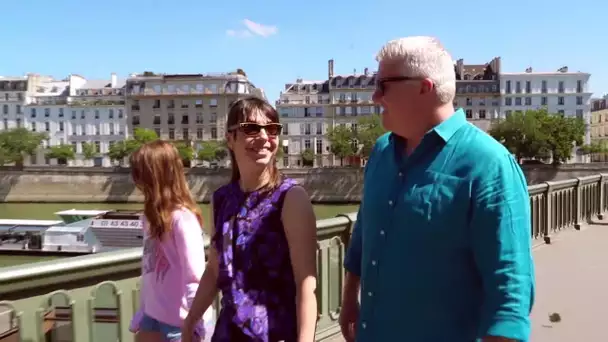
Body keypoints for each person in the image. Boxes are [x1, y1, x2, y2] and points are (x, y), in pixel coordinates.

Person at [339, 36, 535, 342]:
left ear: (424, 87)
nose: (375, 97)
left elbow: (509, 296)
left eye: (383, 85)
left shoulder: (489, 164)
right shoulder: (380, 152)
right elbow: (365, 232)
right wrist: (349, 298)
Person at [182, 97, 318, 342]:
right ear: (230, 139)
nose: (265, 137)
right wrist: (192, 318)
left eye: (272, 129)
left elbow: (305, 285)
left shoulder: (291, 199)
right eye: (251, 129)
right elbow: (214, 270)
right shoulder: (221, 199)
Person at [128, 140, 214, 342]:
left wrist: (198, 324)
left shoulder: (182, 219)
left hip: (180, 323)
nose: (135, 180)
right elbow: (149, 270)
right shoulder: (150, 218)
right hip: (152, 316)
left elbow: (194, 277)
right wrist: (143, 310)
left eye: (140, 173)